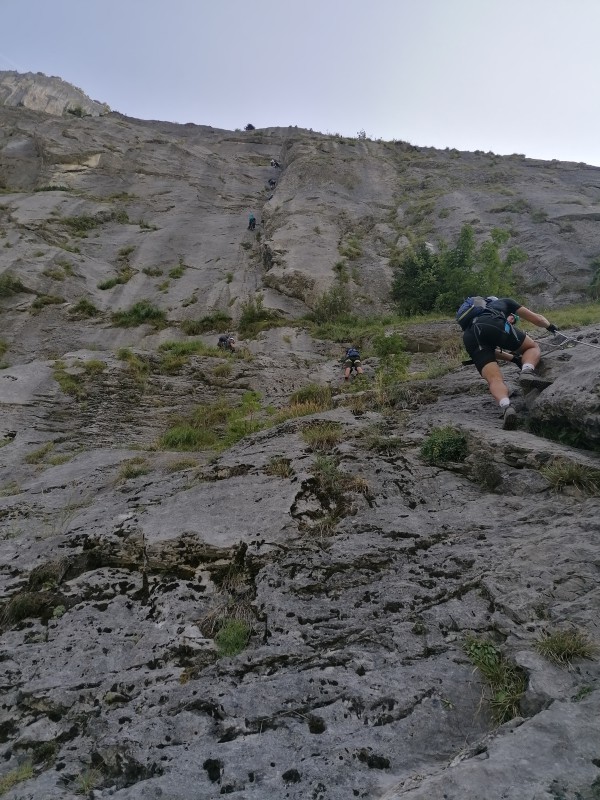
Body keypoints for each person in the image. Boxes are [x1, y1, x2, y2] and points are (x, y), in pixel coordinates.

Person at [462, 296, 558, 429]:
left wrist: (513, 358)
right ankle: (527, 372)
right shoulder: (505, 302)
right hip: (492, 323)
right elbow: (538, 319)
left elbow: (490, 351)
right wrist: (551, 327)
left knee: (494, 380)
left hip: (469, 337)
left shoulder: (472, 319)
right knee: (532, 347)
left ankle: (507, 407)